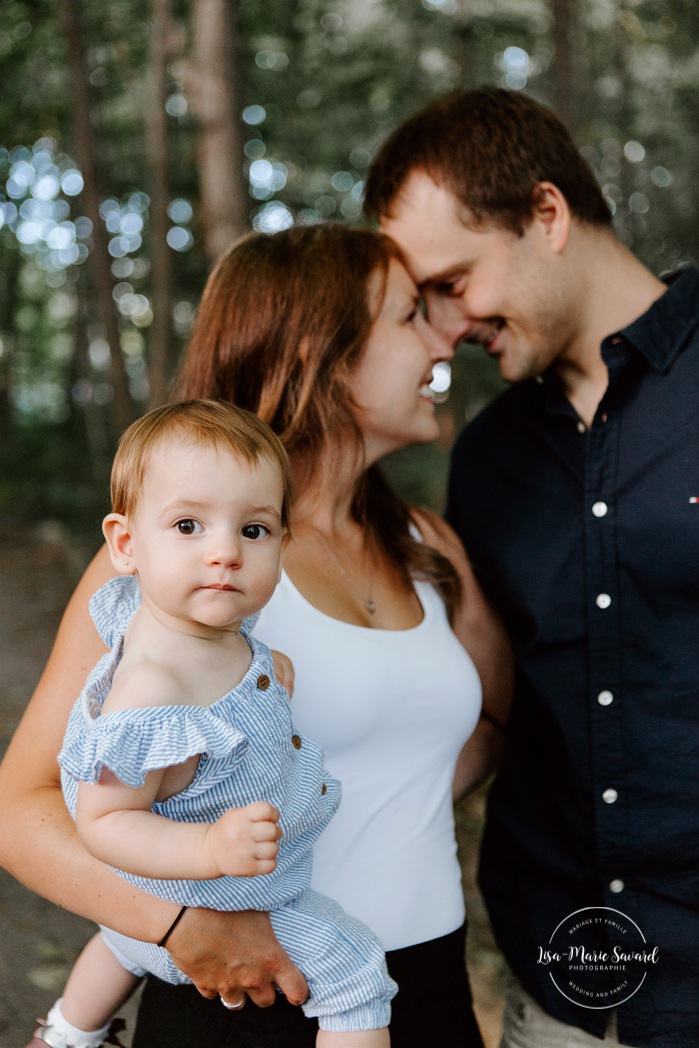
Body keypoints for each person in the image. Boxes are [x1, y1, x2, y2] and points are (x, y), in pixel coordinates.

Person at [0, 223, 512, 1048]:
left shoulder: (427, 545)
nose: (443, 336)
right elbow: (19, 810)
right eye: (409, 315)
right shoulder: (184, 559)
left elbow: (484, 728)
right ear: (323, 351)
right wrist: (174, 927)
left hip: (424, 984)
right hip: (243, 992)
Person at [363, 86, 699, 1048]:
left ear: (546, 215)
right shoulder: (489, 457)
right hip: (554, 1003)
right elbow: (482, 705)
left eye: (452, 279)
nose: (445, 324)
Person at [26, 398, 397, 1048]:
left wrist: (264, 666)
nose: (225, 552)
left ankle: (66, 1033)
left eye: (252, 530)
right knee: (358, 972)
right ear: (125, 544)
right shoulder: (149, 690)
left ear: (282, 541)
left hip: (159, 912)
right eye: (189, 525)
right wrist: (206, 850)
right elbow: (104, 820)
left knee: (122, 945)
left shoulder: (204, 623)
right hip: (224, 897)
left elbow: (231, 654)